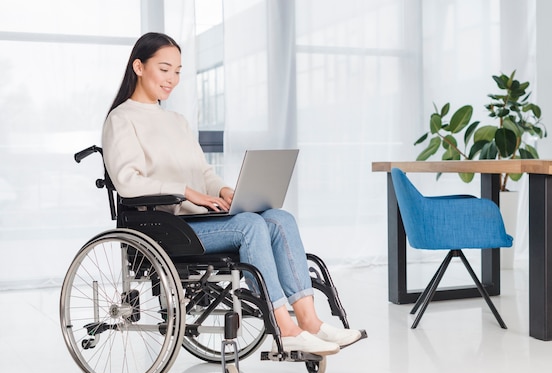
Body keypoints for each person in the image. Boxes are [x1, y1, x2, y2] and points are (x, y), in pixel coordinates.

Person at [102, 32, 362, 356]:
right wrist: (185, 193)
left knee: (279, 218)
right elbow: (127, 182)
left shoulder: (177, 121)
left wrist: (223, 189)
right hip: (164, 228)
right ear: (139, 67)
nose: (172, 79)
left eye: (178, 71)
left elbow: (203, 173)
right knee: (251, 225)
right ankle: (284, 327)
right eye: (165, 69)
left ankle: (310, 321)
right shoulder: (121, 119)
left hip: (199, 222)